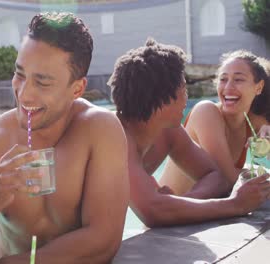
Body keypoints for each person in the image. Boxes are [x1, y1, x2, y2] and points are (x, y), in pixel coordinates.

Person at [0, 12, 129, 263]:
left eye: (42, 82)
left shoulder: (99, 131)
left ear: (77, 89)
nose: (24, 94)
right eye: (20, 74)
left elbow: (104, 239)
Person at [108, 39, 270, 227]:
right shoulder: (113, 134)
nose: (187, 99)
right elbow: (153, 212)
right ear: (163, 97)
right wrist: (235, 205)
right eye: (184, 89)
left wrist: (180, 202)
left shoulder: (170, 131)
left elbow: (215, 176)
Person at [160, 50, 270, 195]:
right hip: (174, 213)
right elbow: (227, 180)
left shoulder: (251, 121)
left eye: (238, 80)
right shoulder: (205, 112)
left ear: (259, 87)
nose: (228, 87)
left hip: (208, 213)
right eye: (223, 79)